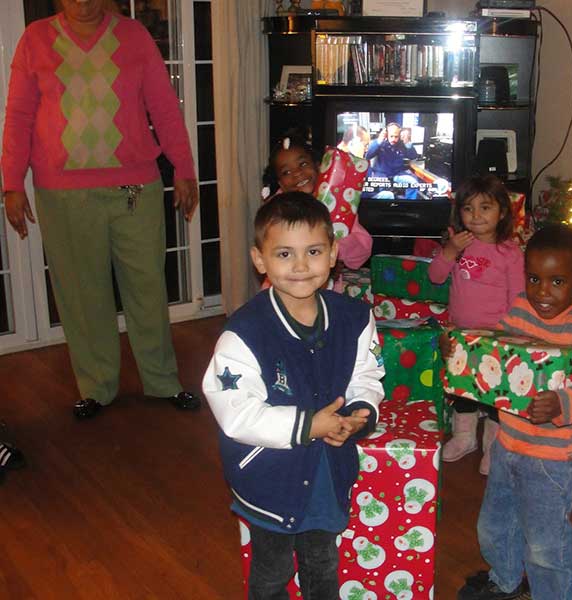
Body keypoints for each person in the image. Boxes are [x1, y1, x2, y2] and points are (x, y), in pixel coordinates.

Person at [1, 0, 200, 419]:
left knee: (147, 287)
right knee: (81, 292)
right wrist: (11, 183)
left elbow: (163, 106)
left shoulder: (134, 36)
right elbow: (18, 116)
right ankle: (97, 387)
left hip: (135, 185)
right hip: (63, 193)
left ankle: (162, 380)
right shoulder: (35, 39)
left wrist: (183, 166)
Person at [202, 192, 384, 598]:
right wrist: (307, 425)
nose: (301, 266)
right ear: (260, 259)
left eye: (314, 251)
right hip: (270, 476)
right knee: (272, 568)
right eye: (284, 254)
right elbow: (236, 411)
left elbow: (366, 374)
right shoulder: (245, 333)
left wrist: (358, 413)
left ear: (334, 253)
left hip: (327, 470)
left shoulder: (353, 317)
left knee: (322, 563)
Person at [457, 224, 572, 600]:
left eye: (557, 281)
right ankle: (504, 579)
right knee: (495, 526)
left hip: (552, 458)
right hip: (508, 443)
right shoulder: (519, 311)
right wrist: (462, 357)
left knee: (545, 543)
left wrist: (563, 403)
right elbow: (495, 354)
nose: (543, 292)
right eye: (534, 279)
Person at [428, 175, 525, 475]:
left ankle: (493, 446)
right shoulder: (459, 245)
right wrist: (449, 251)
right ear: (459, 214)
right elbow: (435, 277)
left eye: (485, 208)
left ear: (503, 212)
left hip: (498, 337)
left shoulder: (510, 253)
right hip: (460, 333)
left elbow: (519, 296)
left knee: (497, 394)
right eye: (468, 209)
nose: (476, 216)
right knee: (462, 390)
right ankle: (464, 437)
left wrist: (514, 334)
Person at [264, 133, 373, 291]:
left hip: (326, 295)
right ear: (280, 182)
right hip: (284, 291)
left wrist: (334, 250)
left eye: (302, 164)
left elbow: (363, 247)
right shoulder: (275, 211)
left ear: (318, 165)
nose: (297, 173)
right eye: (286, 172)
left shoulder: (338, 201)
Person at [364, 122, 419, 199]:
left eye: (396, 136)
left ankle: (409, 204)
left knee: (413, 183)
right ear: (386, 134)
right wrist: (379, 141)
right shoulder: (380, 143)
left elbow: (413, 156)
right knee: (381, 191)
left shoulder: (402, 144)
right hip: (381, 175)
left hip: (397, 174)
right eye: (391, 136)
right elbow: (368, 156)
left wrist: (407, 144)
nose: (394, 139)